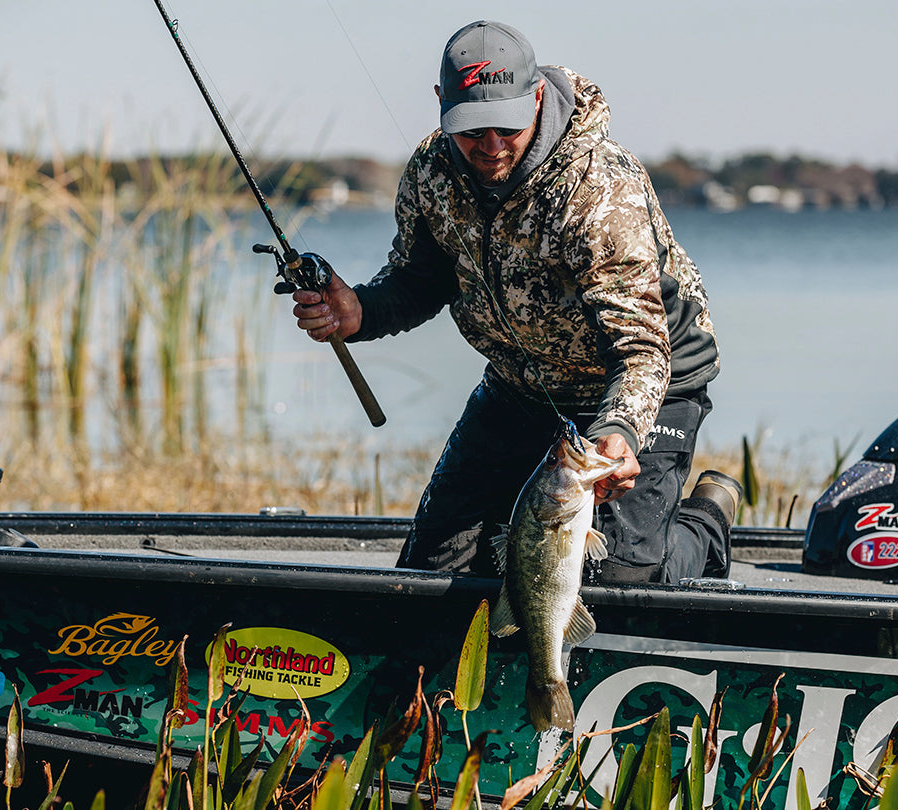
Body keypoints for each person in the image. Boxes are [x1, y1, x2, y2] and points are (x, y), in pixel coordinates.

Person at [292, 20, 740, 584]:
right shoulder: (432, 172)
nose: (490, 146)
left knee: (618, 577)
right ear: (441, 105)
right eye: (471, 129)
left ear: (535, 99)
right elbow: (419, 280)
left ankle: (705, 522)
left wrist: (621, 430)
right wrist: (361, 311)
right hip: (521, 385)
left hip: (642, 382)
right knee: (430, 572)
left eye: (506, 124)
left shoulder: (597, 188)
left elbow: (641, 348)